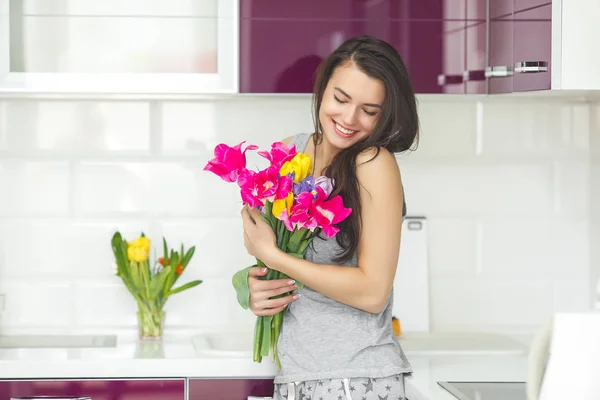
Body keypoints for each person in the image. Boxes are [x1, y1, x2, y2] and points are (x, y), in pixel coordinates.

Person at [241, 35, 420, 400]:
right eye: (341, 99)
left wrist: (276, 257)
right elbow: (280, 269)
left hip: (355, 381)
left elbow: (372, 292)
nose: (349, 119)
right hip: (297, 377)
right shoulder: (293, 151)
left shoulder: (372, 163)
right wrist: (254, 291)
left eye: (369, 110)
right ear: (322, 90)